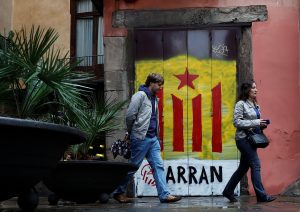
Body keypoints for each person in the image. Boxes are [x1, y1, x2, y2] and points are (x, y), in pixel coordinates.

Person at [113, 73, 182, 203]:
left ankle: (164, 194)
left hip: (153, 139)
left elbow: (153, 118)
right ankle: (118, 191)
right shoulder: (140, 96)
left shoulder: (154, 98)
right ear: (151, 83)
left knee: (158, 166)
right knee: (133, 166)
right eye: (159, 84)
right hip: (141, 138)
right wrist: (131, 132)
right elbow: (129, 116)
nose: (161, 87)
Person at [223, 81, 276, 203]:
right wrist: (256, 122)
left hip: (252, 139)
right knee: (256, 164)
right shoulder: (240, 104)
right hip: (243, 139)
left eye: (256, 87)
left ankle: (228, 191)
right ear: (247, 90)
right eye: (253, 88)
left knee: (243, 168)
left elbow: (254, 122)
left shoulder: (255, 104)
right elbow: (237, 122)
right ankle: (261, 196)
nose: (256, 90)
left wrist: (261, 125)